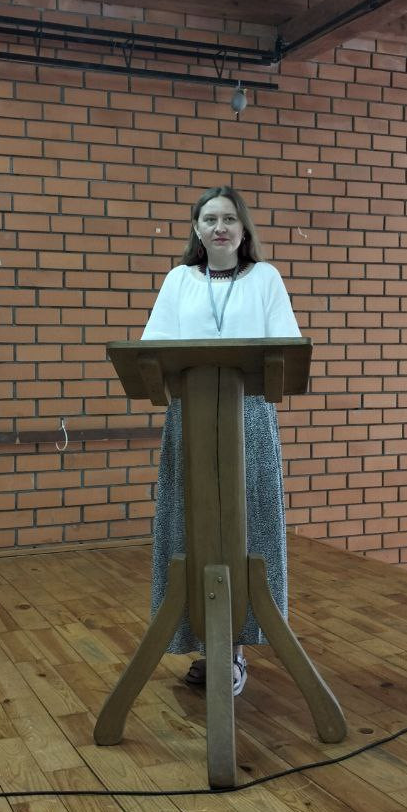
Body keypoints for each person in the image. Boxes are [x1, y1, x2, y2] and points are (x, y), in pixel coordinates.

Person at [142, 185, 301, 696]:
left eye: (229, 218)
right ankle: (201, 642)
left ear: (243, 228)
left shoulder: (265, 278)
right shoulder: (179, 280)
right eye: (209, 219)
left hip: (247, 417)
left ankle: (232, 648)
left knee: (245, 525)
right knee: (189, 524)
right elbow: (151, 350)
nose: (220, 227)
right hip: (189, 416)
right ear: (196, 229)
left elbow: (286, 348)